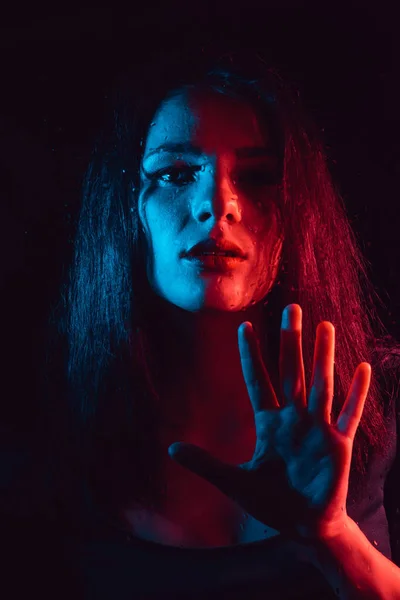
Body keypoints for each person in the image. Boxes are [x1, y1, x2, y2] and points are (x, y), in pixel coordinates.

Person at [4, 46, 400, 599]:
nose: (218, 204)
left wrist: (334, 537)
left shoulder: (374, 405)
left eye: (259, 177)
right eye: (174, 173)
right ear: (125, 209)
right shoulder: (45, 427)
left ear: (299, 214)